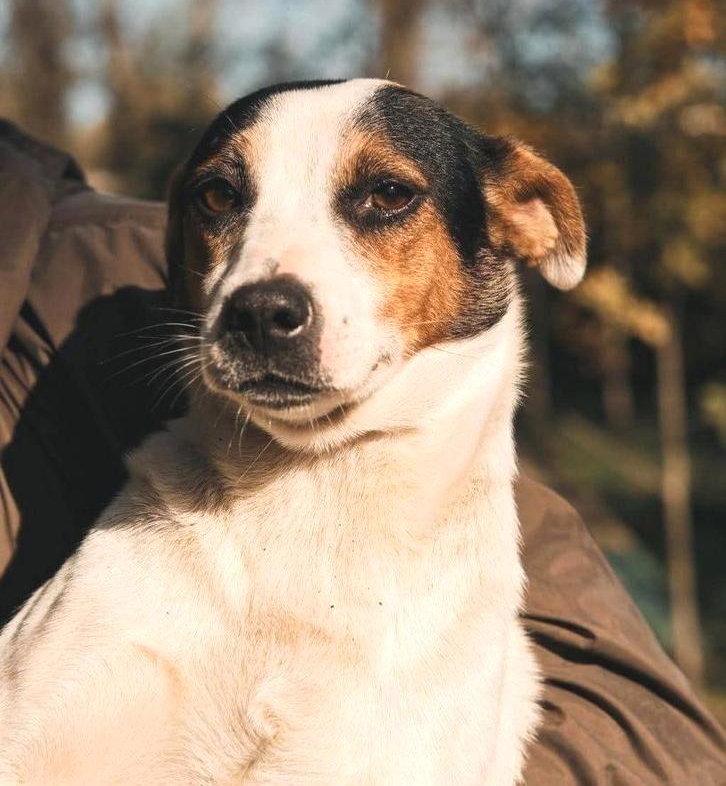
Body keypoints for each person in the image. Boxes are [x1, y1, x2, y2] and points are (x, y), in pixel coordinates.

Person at [0, 119, 723, 784]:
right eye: (222, 198)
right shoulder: (129, 572)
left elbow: (669, 752)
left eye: (386, 197)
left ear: (523, 217)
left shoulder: (82, 259)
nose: (263, 295)